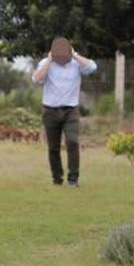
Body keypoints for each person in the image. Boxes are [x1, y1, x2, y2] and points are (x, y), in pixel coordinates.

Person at [32, 37, 97, 187]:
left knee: (72, 142)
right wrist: (49, 61)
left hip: (71, 110)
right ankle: (57, 179)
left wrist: (75, 55)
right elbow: (37, 79)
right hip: (50, 110)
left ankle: (73, 179)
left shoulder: (76, 64)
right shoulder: (45, 63)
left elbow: (92, 67)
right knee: (53, 147)